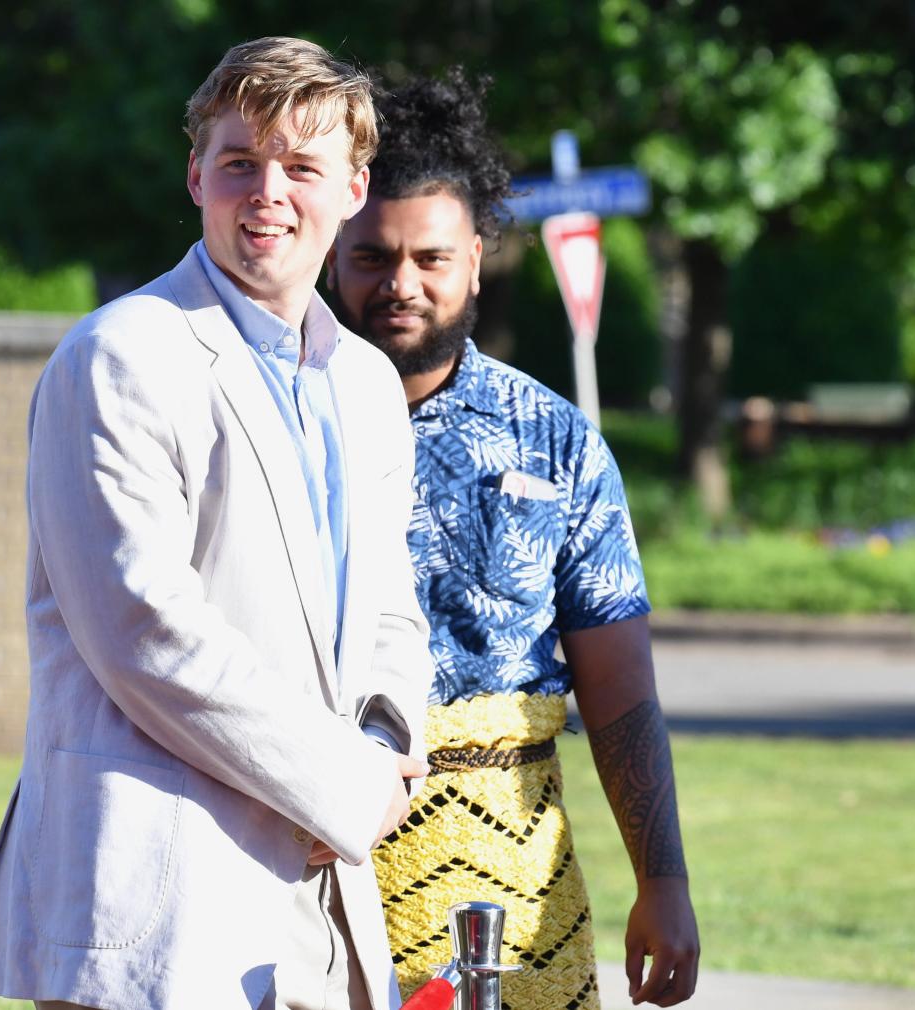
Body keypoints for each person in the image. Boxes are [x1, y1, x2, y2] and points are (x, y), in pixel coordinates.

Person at [0, 37, 435, 1010]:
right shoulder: (120, 356)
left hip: (327, 895)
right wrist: (339, 785)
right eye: (239, 162)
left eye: (301, 166)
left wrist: (387, 747)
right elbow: (144, 629)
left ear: (353, 187)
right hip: (162, 892)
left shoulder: (367, 382)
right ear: (195, 175)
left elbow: (391, 604)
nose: (268, 190)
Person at [327, 69, 700, 1010]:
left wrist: (665, 884)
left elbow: (619, 690)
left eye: (431, 259)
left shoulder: (556, 440)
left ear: (479, 259)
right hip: (313, 862)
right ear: (332, 254)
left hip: (513, 883)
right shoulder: (275, 419)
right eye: (372, 257)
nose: (401, 284)